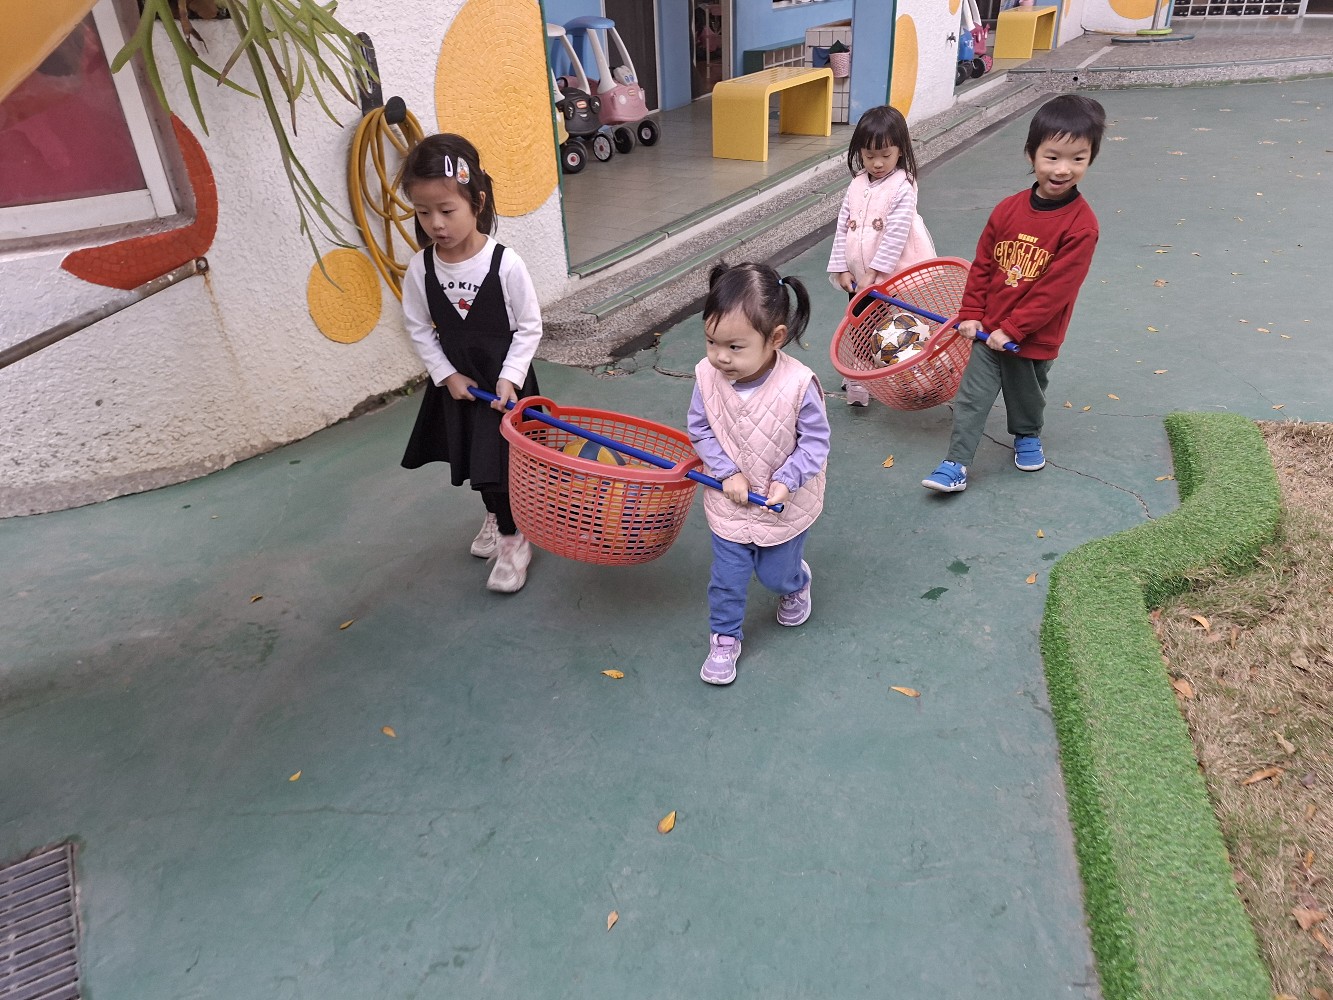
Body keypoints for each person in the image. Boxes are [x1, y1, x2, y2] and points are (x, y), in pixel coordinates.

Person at [921, 94, 1105, 494]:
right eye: (1052, 157)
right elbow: (983, 265)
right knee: (972, 397)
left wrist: (1015, 328)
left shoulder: (1081, 225)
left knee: (1027, 397)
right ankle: (956, 462)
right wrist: (972, 314)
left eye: (1078, 158)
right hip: (988, 330)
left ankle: (1027, 434)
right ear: (1031, 154)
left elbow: (1056, 290)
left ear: (1090, 159)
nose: (1063, 169)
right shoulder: (1007, 210)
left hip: (1033, 337)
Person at [397, 134, 543, 592]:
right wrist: (446, 375)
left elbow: (530, 327)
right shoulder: (421, 268)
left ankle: (514, 539)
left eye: (446, 210)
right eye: (423, 212)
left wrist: (510, 377)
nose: (435, 224)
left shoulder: (505, 264)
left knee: (501, 465)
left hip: (502, 387)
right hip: (461, 387)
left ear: (476, 202)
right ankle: (497, 516)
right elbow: (418, 327)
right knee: (479, 464)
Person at [688, 263, 831, 685]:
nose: (720, 357)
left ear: (776, 338)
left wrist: (787, 479)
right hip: (729, 506)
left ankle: (796, 581)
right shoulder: (707, 376)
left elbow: (815, 443)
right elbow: (700, 427)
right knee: (727, 580)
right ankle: (724, 638)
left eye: (735, 346)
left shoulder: (799, 384)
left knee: (775, 575)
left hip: (782, 506)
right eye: (711, 342)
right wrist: (725, 470)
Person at [827, 104, 935, 406]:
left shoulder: (903, 185)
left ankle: (902, 373)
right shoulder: (857, 184)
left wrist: (874, 274)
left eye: (885, 155)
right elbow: (843, 225)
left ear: (900, 151)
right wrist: (841, 267)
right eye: (869, 155)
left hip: (891, 274)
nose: (877, 163)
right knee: (860, 323)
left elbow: (895, 235)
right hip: (859, 275)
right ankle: (861, 374)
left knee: (895, 324)